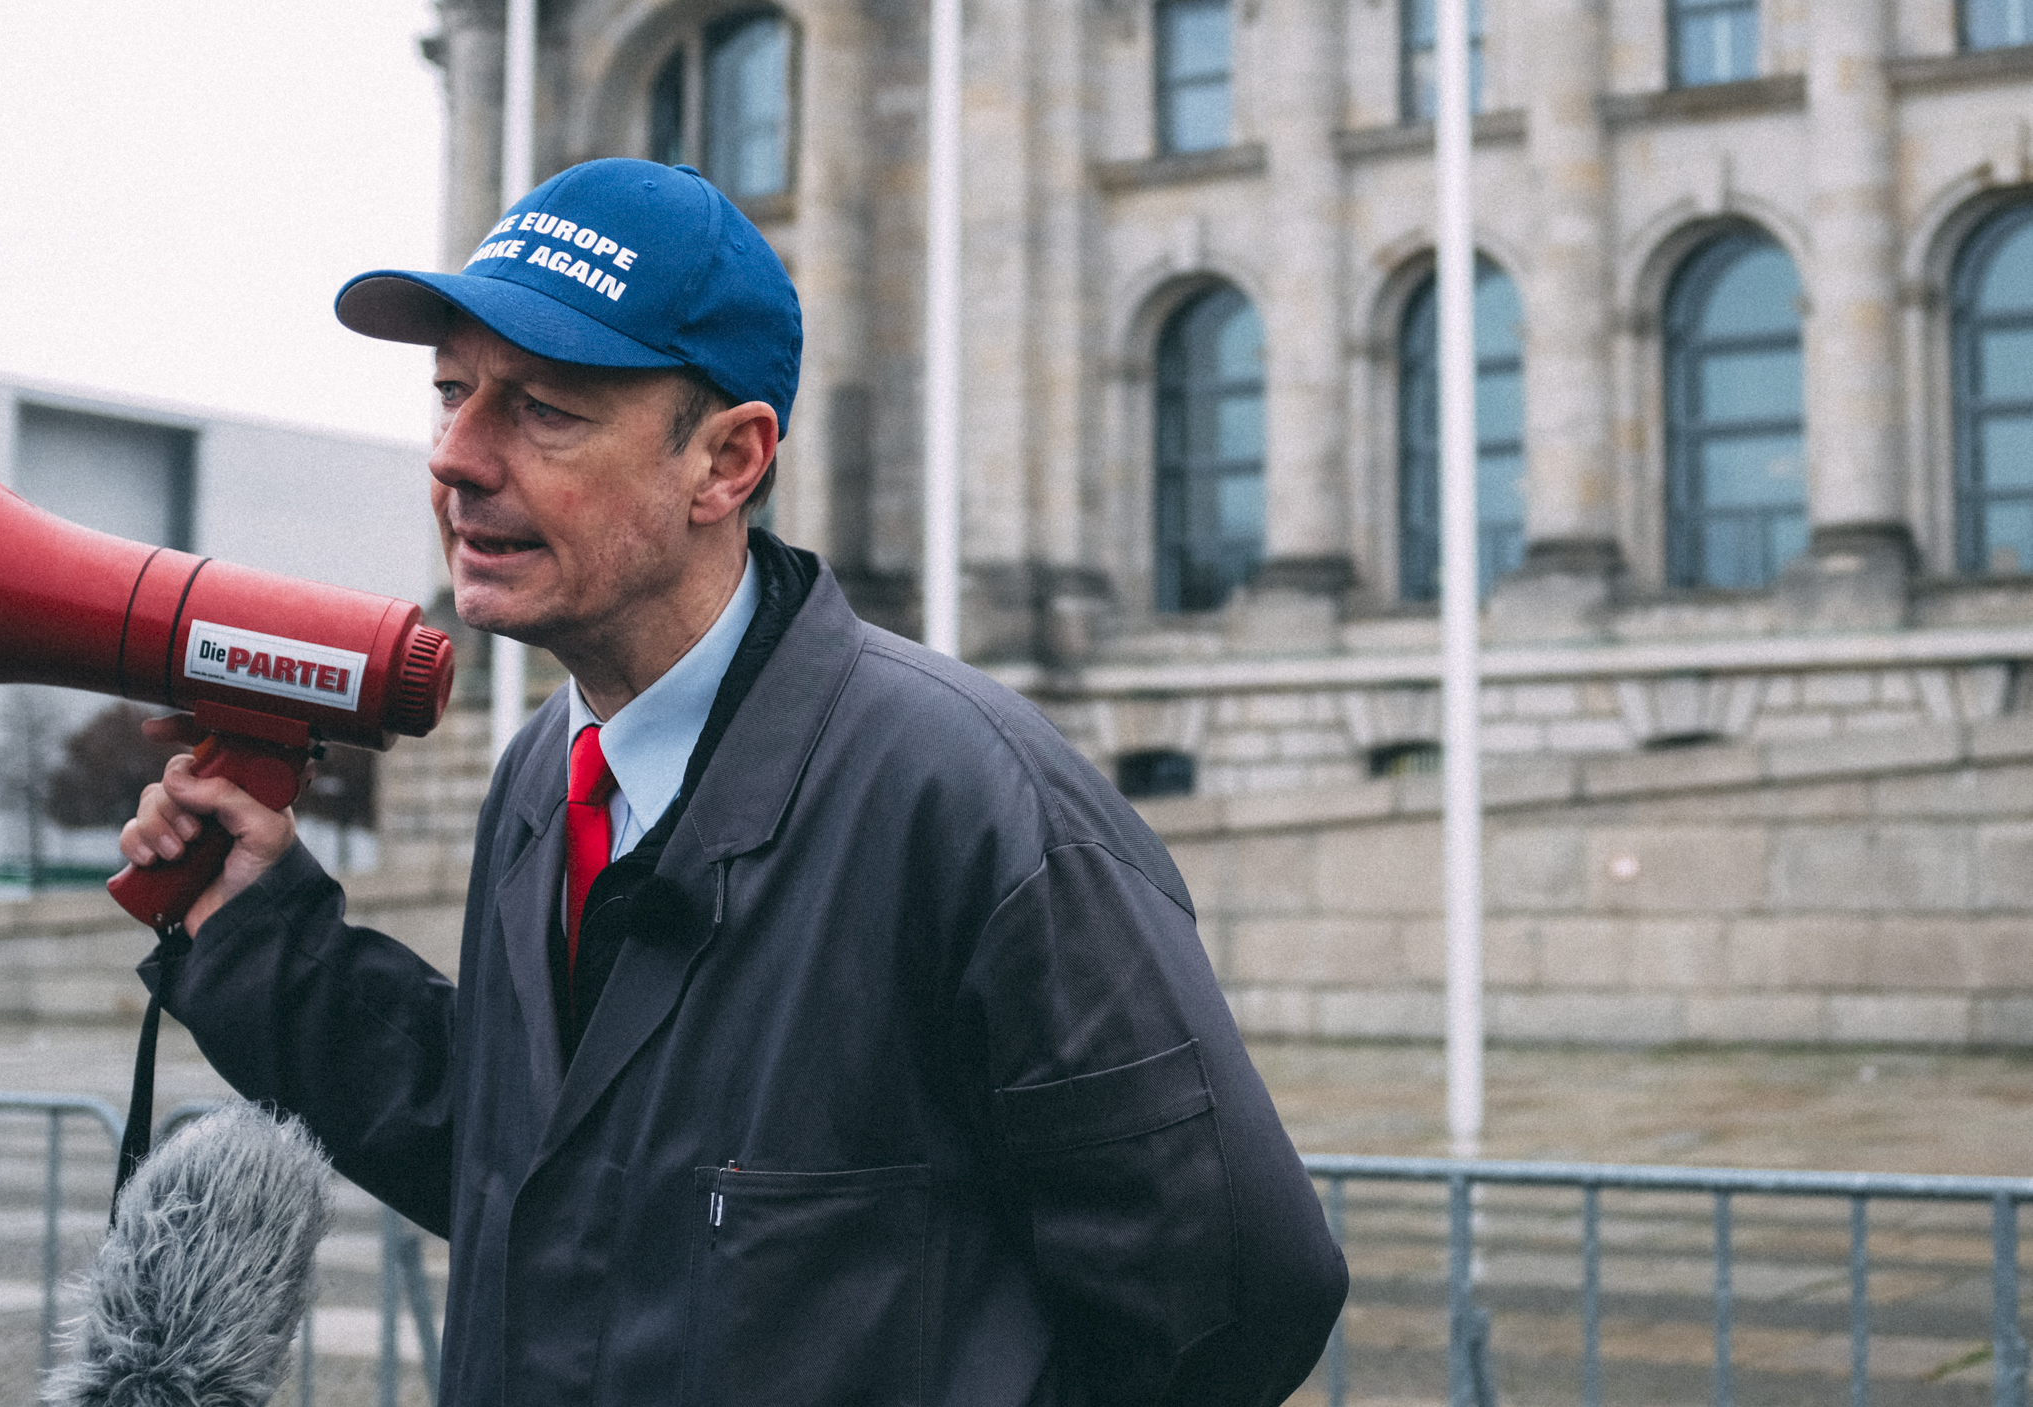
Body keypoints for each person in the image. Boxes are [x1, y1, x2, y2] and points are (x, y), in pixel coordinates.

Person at [120, 158, 1346, 1407]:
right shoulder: (547, 769)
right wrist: (261, 938)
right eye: (450, 394)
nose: (456, 458)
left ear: (727, 462)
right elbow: (543, 1172)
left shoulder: (975, 802)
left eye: (541, 409)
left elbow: (1238, 1298)